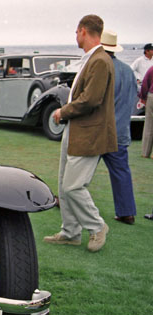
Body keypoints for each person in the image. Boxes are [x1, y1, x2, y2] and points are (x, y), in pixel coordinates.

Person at [44, 14, 117, 253]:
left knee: (74, 186)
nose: (76, 36)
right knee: (64, 185)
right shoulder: (93, 59)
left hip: (88, 133)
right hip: (76, 131)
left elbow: (91, 100)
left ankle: (96, 226)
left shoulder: (99, 60)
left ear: (83, 30)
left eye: (76, 32)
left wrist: (63, 111)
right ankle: (70, 232)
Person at [100, 30, 137, 225]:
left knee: (79, 172)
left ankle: (67, 204)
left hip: (100, 132)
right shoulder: (128, 70)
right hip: (121, 131)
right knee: (122, 172)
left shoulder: (101, 68)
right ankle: (126, 212)